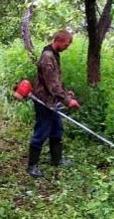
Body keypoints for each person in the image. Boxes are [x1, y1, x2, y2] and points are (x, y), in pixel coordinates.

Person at [27, 30, 80, 178]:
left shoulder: (54, 55)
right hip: (44, 101)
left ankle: (56, 159)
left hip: (53, 100)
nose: (67, 47)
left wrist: (66, 92)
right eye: (66, 44)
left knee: (57, 130)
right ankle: (32, 166)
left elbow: (56, 81)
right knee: (41, 132)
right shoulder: (47, 57)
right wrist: (68, 101)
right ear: (58, 40)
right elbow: (52, 85)